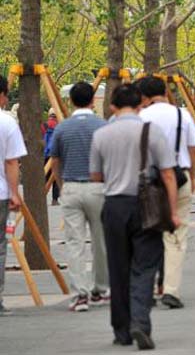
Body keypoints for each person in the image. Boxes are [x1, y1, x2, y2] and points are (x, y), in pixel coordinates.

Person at [90, 84, 179, 349]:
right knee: (144, 266)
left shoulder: (101, 134)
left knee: (118, 268)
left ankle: (121, 330)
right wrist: (172, 212)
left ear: (113, 106)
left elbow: (95, 175)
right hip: (146, 205)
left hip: (114, 206)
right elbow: (168, 173)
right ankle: (140, 321)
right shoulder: (151, 132)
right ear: (140, 104)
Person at [137, 76, 195, 309]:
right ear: (165, 91)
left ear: (143, 97)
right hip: (179, 176)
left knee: (149, 232)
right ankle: (171, 290)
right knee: (176, 235)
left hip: (147, 181)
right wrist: (193, 178)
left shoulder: (140, 117)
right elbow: (194, 150)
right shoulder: (181, 115)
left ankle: (148, 286)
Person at [48, 82, 109, 312]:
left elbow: (55, 161)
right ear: (93, 101)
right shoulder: (101, 126)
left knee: (75, 242)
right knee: (100, 240)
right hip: (97, 188)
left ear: (71, 101)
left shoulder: (63, 128)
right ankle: (100, 288)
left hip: (72, 187)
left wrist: (62, 184)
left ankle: (79, 294)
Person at [0, 76, 26, 316]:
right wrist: (14, 192)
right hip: (0, 194)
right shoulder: (6, 123)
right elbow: (11, 161)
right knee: (0, 246)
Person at [43, 108, 60, 205]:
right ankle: (55, 199)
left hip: (45, 154)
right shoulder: (59, 125)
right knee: (55, 177)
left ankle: (42, 198)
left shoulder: (45, 125)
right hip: (55, 154)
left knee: (44, 177)